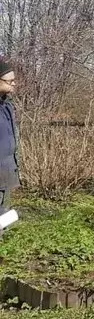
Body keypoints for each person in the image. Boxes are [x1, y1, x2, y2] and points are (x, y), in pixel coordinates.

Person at [0, 59, 19, 223]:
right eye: (9, 81)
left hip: (6, 170)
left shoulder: (7, 105)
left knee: (3, 216)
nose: (14, 83)